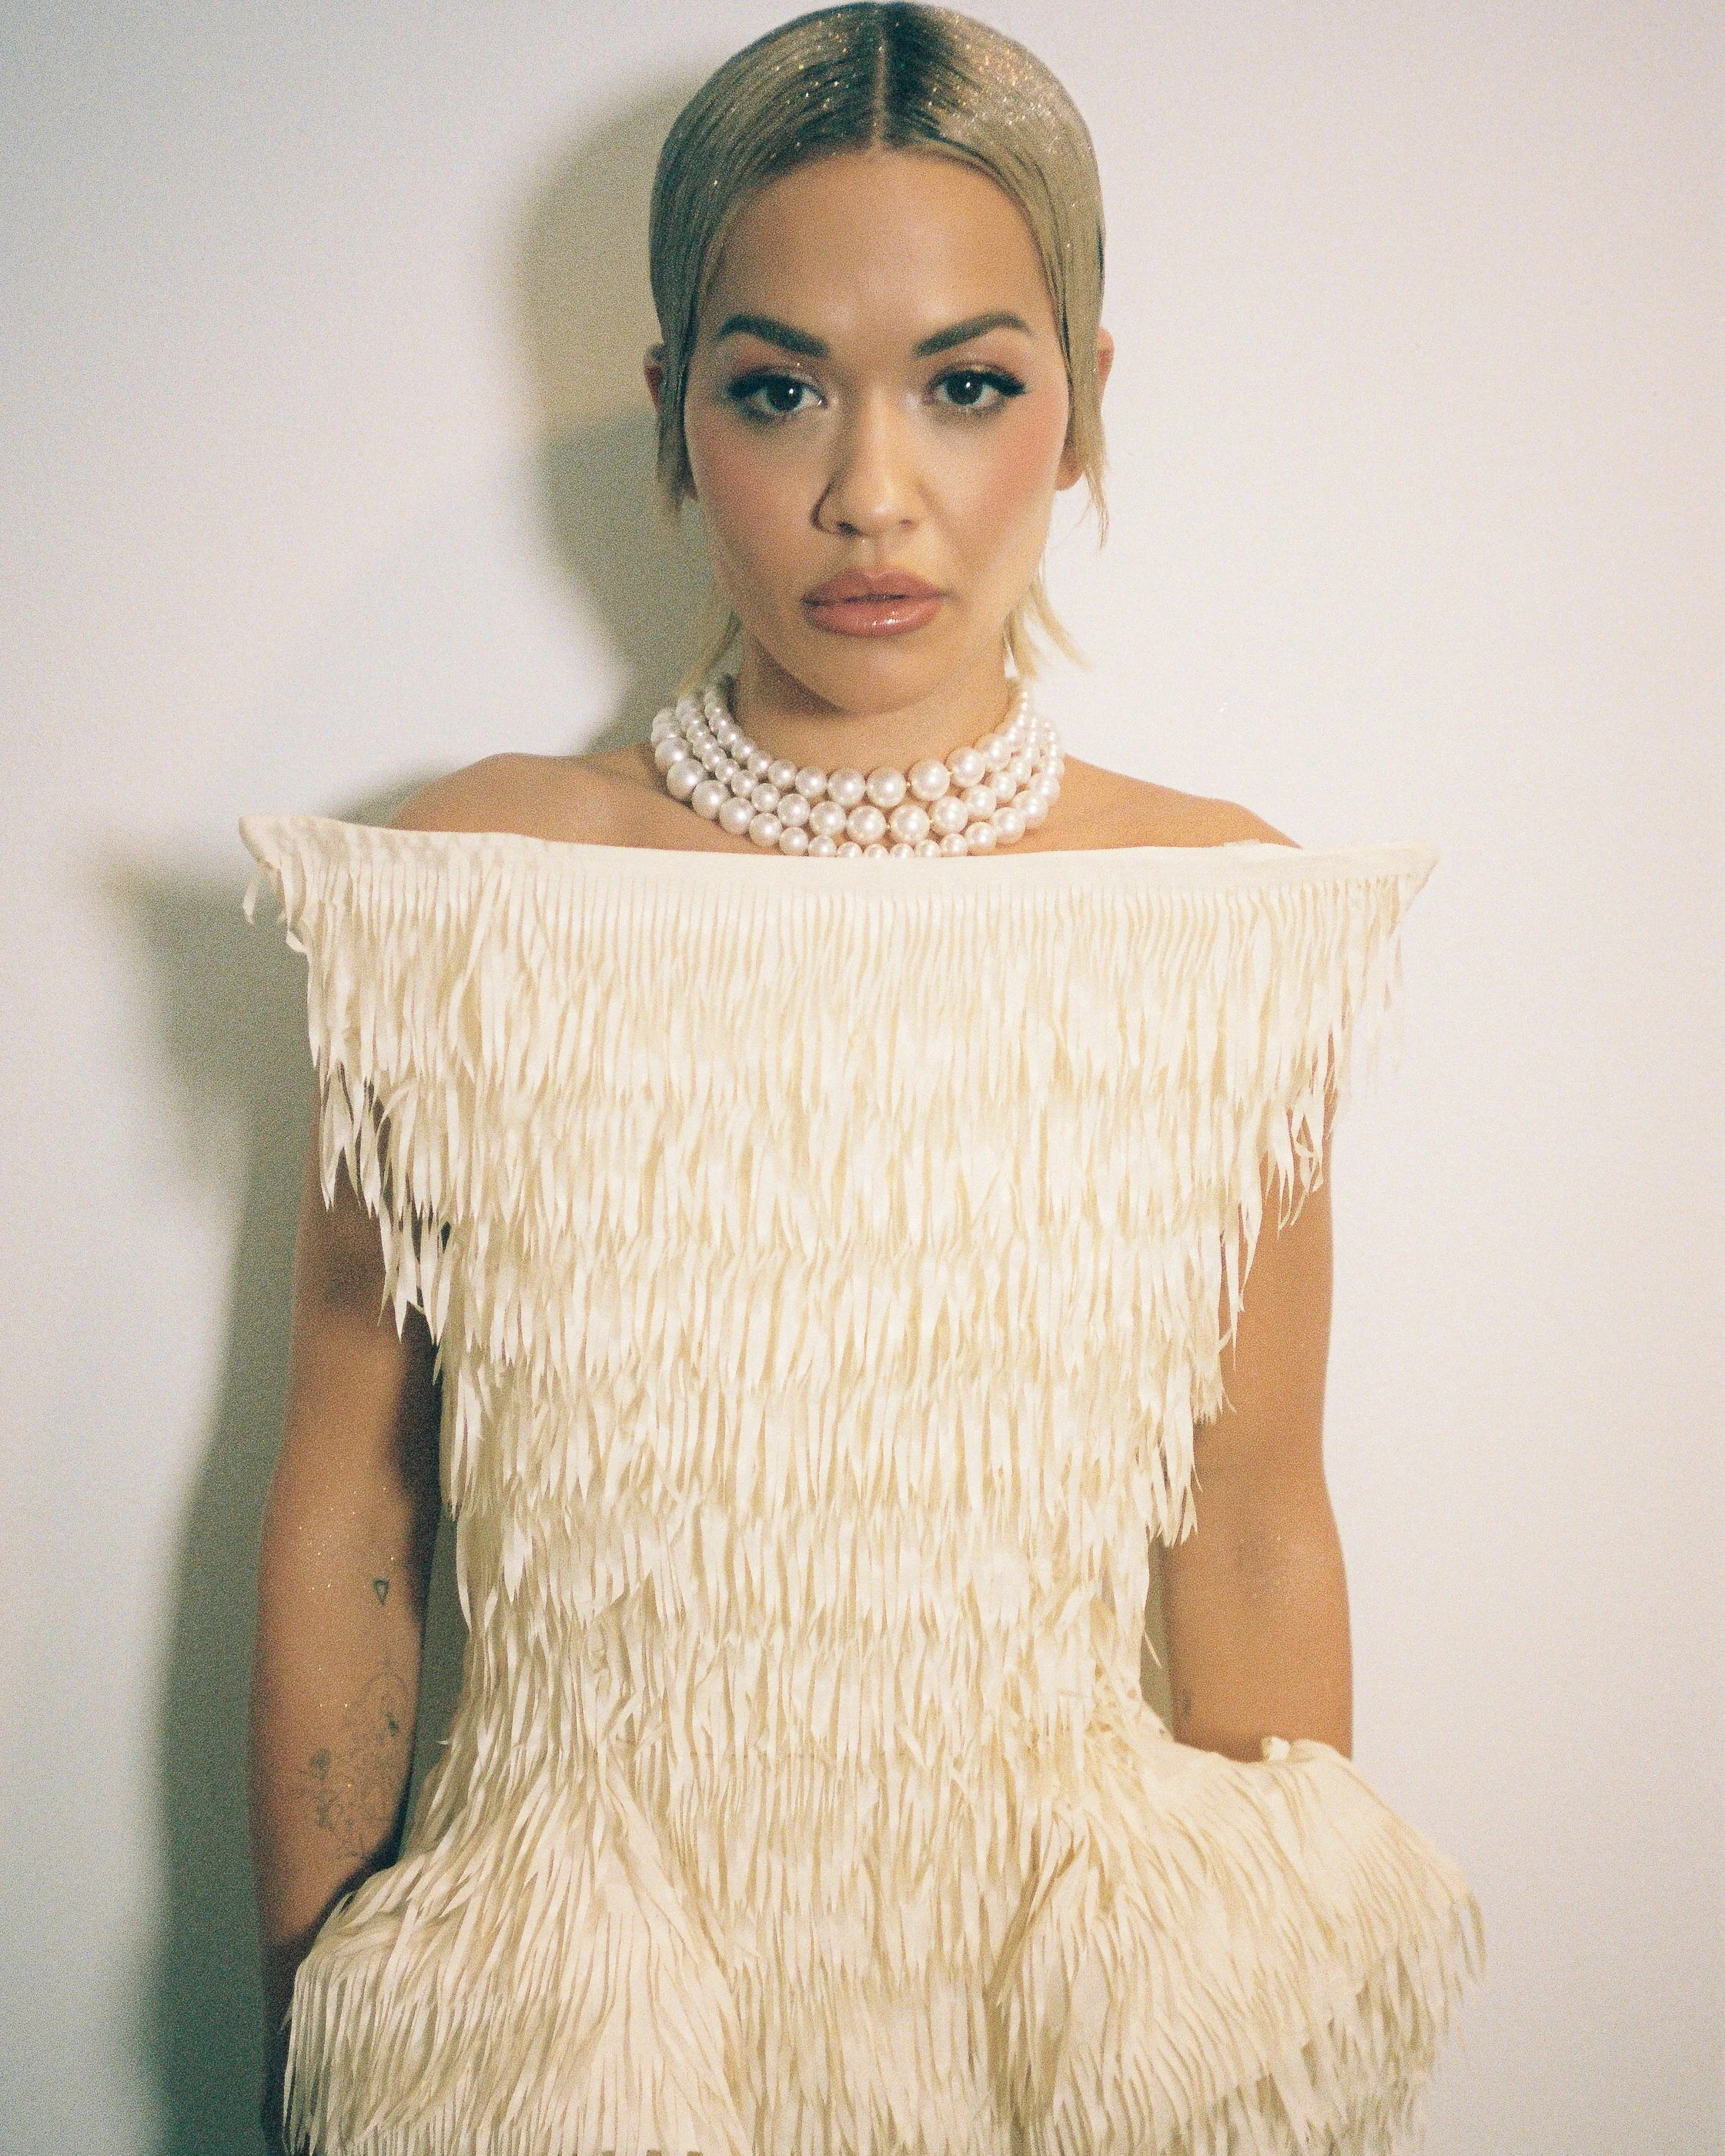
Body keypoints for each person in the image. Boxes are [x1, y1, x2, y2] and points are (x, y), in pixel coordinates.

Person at [243, 5, 1483, 2151]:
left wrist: (1270, 2052)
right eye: (778, 386)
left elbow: (1257, 1523)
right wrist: (316, 2043)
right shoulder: (481, 884)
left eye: (970, 386)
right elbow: (356, 1494)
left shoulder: (1208, 911)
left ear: (1084, 410)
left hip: (1063, 2026)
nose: (869, 492)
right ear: (671, 412)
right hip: (572, 2031)